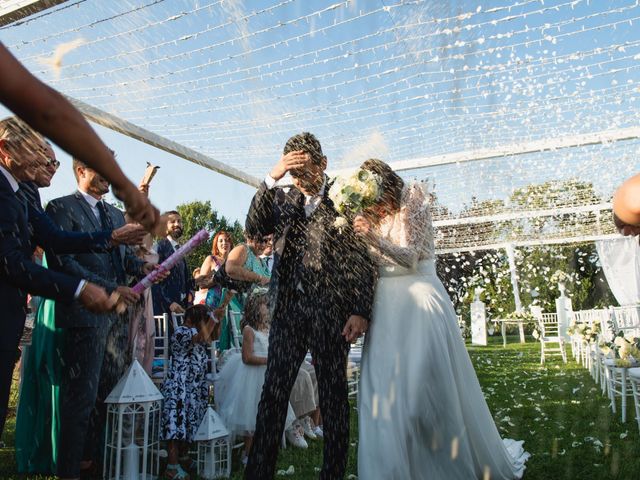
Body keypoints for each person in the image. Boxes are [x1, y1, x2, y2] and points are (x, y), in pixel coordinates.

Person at [353, 159, 530, 480]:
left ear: (385, 186)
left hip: (419, 299)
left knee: (425, 388)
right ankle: (390, 469)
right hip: (385, 307)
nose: (374, 206)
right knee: (382, 390)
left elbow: (408, 256)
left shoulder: (414, 196)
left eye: (376, 197)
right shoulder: (369, 212)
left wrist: (372, 238)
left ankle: (442, 465)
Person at [244, 132, 377, 479]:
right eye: (293, 171)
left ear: (323, 164)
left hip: (332, 315)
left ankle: (332, 473)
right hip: (288, 313)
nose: (299, 178)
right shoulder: (281, 198)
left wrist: (361, 309)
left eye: (305, 169)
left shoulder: (344, 197)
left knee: (333, 397)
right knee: (273, 394)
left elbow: (362, 257)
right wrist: (272, 176)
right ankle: (259, 473)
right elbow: (254, 228)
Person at [0, 118, 122, 443]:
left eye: (50, 157)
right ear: (6, 150)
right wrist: (81, 289)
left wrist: (111, 237)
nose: (45, 162)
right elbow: (13, 264)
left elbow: (54, 237)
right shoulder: (13, 193)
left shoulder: (21, 191)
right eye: (38, 152)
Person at [45, 158, 162, 480]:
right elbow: (62, 261)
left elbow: (124, 262)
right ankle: (71, 470)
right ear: (81, 170)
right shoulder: (60, 207)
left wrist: (144, 270)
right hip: (84, 318)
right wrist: (112, 288)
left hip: (118, 322)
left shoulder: (113, 214)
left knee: (108, 397)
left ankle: (99, 466)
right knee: (80, 400)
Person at [0, 42, 159, 230]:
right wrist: (125, 186)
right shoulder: (54, 204)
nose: (42, 163)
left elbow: (47, 109)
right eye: (34, 150)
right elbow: (48, 110)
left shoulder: (23, 191)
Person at [215, 291, 297, 465]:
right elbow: (247, 358)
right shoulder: (249, 330)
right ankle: (247, 453)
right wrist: (270, 360)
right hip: (252, 377)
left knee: (267, 415)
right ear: (255, 308)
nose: (269, 309)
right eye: (266, 305)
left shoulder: (268, 329)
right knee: (251, 415)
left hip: (267, 376)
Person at [161, 304, 218, 480]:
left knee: (188, 424)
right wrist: (213, 319)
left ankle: (183, 457)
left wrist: (218, 319)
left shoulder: (198, 333)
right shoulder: (182, 332)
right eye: (205, 320)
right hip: (179, 388)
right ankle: (171, 466)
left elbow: (211, 336)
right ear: (193, 320)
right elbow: (201, 337)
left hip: (192, 388)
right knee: (176, 425)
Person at [152, 211, 192, 317]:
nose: (177, 224)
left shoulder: (180, 251)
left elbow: (181, 280)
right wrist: (169, 302)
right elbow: (153, 281)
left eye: (179, 221)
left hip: (181, 310)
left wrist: (198, 281)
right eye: (172, 221)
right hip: (164, 311)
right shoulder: (159, 248)